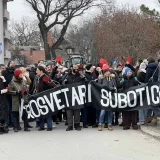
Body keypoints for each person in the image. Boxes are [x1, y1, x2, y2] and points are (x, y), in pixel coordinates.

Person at [63, 64, 85, 131]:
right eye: (75, 67)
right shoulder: (67, 75)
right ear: (71, 68)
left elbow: (84, 81)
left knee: (77, 111)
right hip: (69, 96)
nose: (76, 69)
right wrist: (64, 82)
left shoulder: (80, 75)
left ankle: (77, 125)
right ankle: (70, 126)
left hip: (77, 96)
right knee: (69, 111)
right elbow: (62, 83)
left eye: (77, 68)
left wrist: (81, 74)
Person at [36, 66, 57, 131]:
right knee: (41, 112)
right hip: (39, 97)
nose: (36, 71)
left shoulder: (44, 77)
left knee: (47, 112)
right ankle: (41, 126)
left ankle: (49, 126)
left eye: (37, 70)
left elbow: (52, 85)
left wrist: (46, 87)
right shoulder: (39, 78)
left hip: (46, 97)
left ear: (41, 71)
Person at [2, 61, 15, 130]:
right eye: (11, 63)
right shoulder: (4, 72)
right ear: (9, 64)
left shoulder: (15, 72)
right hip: (6, 92)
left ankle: (13, 122)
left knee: (13, 108)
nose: (13, 64)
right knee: (8, 108)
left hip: (13, 92)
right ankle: (8, 122)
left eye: (13, 63)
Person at [84, 64, 97, 128]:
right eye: (92, 67)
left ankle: (94, 121)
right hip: (87, 93)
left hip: (93, 92)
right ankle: (88, 121)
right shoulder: (85, 74)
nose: (93, 68)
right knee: (88, 108)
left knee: (93, 107)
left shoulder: (94, 74)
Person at [0, 68, 8, 134]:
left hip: (3, 98)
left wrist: (4, 80)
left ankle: (2, 128)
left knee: (3, 114)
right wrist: (1, 91)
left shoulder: (1, 78)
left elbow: (6, 86)